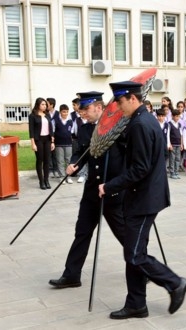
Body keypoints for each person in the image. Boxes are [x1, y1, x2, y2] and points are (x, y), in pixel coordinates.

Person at [98, 81, 186, 320]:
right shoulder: (145, 119)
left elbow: (139, 168)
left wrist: (109, 186)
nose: (118, 107)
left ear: (132, 98)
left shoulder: (140, 123)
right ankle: (136, 304)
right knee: (134, 250)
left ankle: (175, 283)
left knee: (135, 255)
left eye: (119, 102)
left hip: (143, 199)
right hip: (146, 197)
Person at [49, 91, 126, 289]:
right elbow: (81, 152)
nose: (81, 113)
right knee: (82, 232)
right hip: (92, 190)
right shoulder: (84, 129)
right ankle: (72, 274)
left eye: (85, 109)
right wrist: (74, 164)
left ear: (99, 107)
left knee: (124, 234)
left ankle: (143, 268)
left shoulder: (116, 127)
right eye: (80, 109)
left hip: (111, 191)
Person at [28, 97, 55, 190]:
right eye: (42, 104)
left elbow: (51, 129)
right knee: (40, 160)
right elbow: (31, 131)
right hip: (38, 140)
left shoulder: (47, 115)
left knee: (47, 160)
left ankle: (46, 180)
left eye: (45, 104)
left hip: (47, 139)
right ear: (38, 105)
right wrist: (33, 143)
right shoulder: (32, 116)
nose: (44, 106)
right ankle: (41, 181)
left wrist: (52, 141)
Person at [54, 104, 74, 183]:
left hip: (68, 144)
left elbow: (72, 132)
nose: (65, 113)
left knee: (68, 160)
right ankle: (62, 177)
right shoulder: (56, 121)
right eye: (63, 112)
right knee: (60, 161)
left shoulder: (70, 122)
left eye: (66, 112)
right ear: (60, 112)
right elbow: (53, 131)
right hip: (59, 144)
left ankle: (68, 176)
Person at [72, 102, 89, 183]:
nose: (81, 113)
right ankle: (82, 174)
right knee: (82, 157)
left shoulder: (90, 121)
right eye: (80, 112)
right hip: (80, 141)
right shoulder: (77, 120)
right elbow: (74, 131)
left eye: (82, 111)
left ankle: (87, 173)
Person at [166, 109, 183, 180]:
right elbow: (168, 135)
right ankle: (172, 172)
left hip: (178, 144)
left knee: (177, 158)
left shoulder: (179, 124)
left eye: (178, 116)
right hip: (172, 144)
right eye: (176, 116)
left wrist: (182, 144)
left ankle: (176, 171)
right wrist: (169, 144)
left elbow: (181, 135)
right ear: (172, 116)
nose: (177, 118)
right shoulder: (169, 124)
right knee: (172, 159)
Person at [47, 97, 60, 178]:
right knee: (49, 153)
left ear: (51, 105)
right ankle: (50, 169)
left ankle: (56, 169)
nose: (45, 105)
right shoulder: (45, 113)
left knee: (55, 153)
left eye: (47, 104)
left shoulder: (58, 114)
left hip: (57, 135)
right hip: (48, 135)